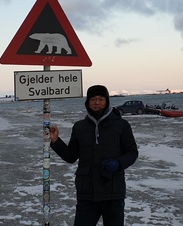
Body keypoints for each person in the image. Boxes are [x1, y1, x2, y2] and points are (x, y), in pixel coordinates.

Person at [50, 85, 138, 226]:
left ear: (107, 101)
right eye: (93, 99)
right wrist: (55, 141)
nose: (97, 103)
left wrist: (118, 163)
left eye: (101, 99)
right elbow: (71, 156)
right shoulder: (79, 127)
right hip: (87, 193)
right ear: (87, 102)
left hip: (113, 191)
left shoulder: (121, 125)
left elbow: (132, 152)